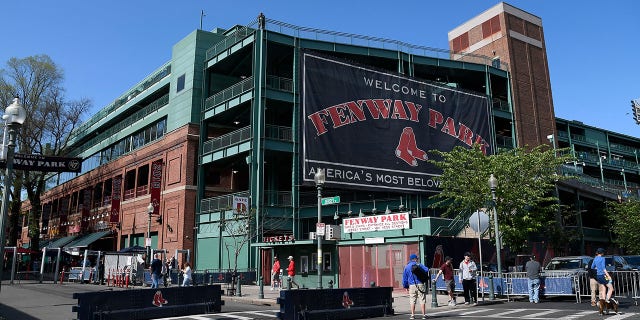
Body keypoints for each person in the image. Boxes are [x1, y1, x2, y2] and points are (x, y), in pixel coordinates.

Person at [402, 254, 429, 319]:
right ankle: (424, 315)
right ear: (415, 259)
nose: (417, 259)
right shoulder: (419, 265)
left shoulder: (407, 267)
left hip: (411, 285)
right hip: (420, 284)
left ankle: (412, 315)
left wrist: (406, 286)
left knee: (412, 300)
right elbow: (427, 269)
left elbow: (404, 278)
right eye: (417, 258)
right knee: (422, 299)